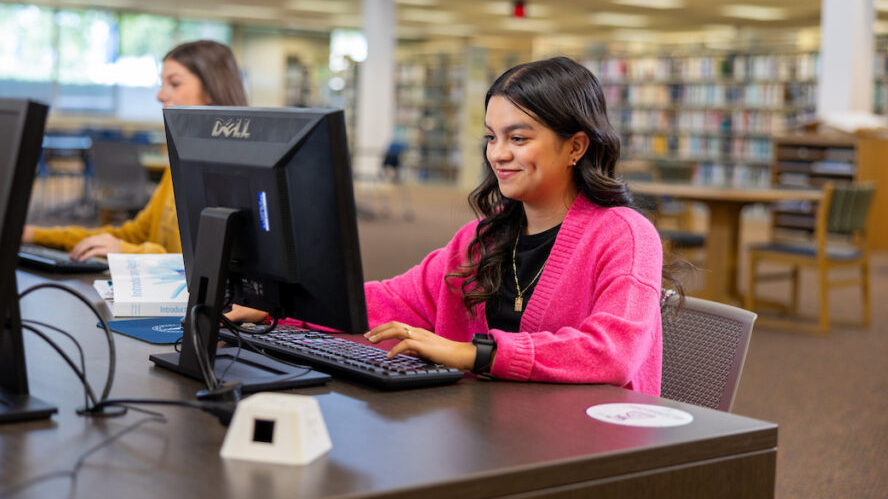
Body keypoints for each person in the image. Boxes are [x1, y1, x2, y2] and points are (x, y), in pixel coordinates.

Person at [231, 57, 675, 394]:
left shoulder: (625, 234)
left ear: (576, 146)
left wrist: (472, 353)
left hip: (586, 448)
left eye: (518, 138)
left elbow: (612, 352)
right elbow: (388, 301)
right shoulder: (482, 241)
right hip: (492, 431)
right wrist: (281, 304)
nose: (498, 154)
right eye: (491, 137)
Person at [23, 40, 248, 261]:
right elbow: (136, 235)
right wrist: (36, 235)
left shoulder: (234, 172)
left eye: (174, 84)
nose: (160, 95)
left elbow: (202, 265)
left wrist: (126, 251)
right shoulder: (183, 161)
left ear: (211, 90)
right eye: (162, 83)